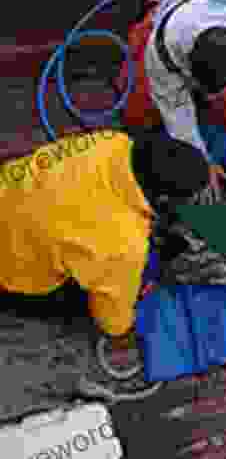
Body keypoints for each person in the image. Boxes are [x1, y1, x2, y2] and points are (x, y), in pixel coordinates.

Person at [118, 0, 226, 270]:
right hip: (172, 24)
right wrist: (199, 163)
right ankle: (155, 5)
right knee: (137, 117)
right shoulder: (163, 49)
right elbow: (177, 114)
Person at [0, 128, 210, 347]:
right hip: (11, 268)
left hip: (8, 189)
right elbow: (113, 325)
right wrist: (127, 327)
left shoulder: (112, 140)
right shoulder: (123, 245)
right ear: (164, 200)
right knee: (81, 301)